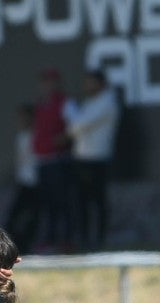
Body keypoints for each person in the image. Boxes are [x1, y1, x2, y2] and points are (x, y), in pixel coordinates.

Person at [63, 70, 120, 251]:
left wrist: (69, 112)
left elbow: (76, 126)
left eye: (91, 82)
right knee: (82, 203)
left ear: (101, 84)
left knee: (97, 202)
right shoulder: (90, 102)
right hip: (82, 160)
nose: (87, 86)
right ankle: (85, 241)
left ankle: (99, 240)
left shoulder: (107, 102)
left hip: (96, 161)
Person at [32, 68, 73, 253]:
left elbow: (74, 127)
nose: (46, 86)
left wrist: (62, 139)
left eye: (50, 82)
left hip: (58, 160)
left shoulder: (65, 103)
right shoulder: (41, 105)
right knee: (47, 204)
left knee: (61, 203)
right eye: (44, 82)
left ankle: (65, 240)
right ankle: (49, 240)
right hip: (43, 161)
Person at [5, 103, 41, 254]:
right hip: (23, 180)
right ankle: (12, 245)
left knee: (31, 216)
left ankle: (26, 245)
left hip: (35, 181)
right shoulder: (21, 136)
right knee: (14, 216)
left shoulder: (36, 135)